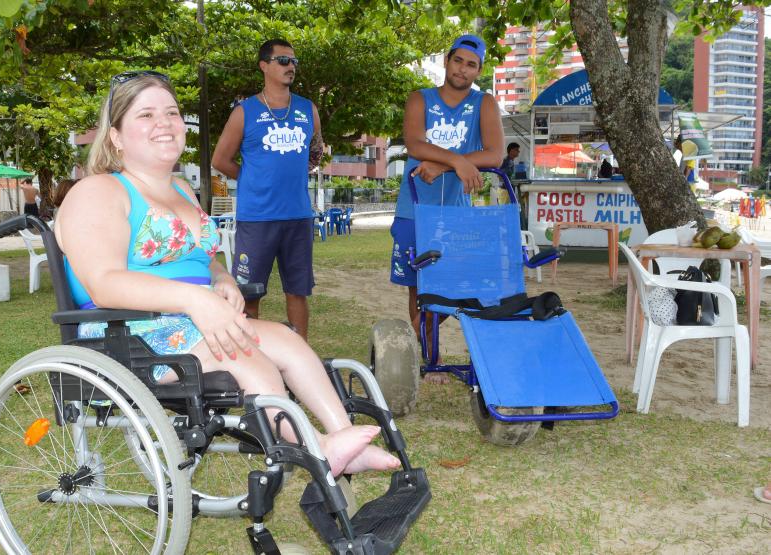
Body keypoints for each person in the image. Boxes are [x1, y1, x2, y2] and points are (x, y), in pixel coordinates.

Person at [56, 71, 398, 477]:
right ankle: (319, 449)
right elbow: (104, 282)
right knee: (244, 356)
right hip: (129, 332)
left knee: (288, 341)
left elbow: (202, 257)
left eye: (171, 112)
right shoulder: (98, 191)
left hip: (189, 319)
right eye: (145, 115)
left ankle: (344, 438)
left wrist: (221, 279)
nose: (164, 123)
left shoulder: (181, 189)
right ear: (115, 135)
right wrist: (195, 299)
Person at [390, 34, 505, 384]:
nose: (463, 69)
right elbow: (414, 145)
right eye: (458, 61)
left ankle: (408, 342)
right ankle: (431, 358)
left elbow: (495, 155)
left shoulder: (484, 103)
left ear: (478, 70)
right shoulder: (420, 98)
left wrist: (442, 164)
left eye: (471, 64)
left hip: (457, 212)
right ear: (447, 61)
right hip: (414, 207)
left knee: (461, 285)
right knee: (419, 287)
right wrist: (457, 161)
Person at [212, 39, 322, 341]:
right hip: (257, 219)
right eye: (283, 60)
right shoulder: (244, 112)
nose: (291, 66)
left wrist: (292, 175)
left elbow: (316, 152)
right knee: (249, 294)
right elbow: (220, 160)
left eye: (294, 61)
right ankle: (250, 355)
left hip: (298, 216)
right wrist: (253, 179)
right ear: (264, 65)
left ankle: (301, 352)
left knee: (297, 292)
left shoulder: (308, 109)